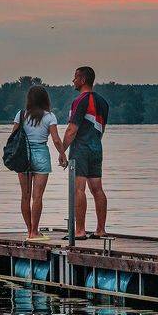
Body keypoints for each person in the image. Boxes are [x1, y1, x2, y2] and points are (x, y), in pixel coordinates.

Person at [58, 65, 110, 238]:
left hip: (80, 148)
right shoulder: (103, 102)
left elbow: (72, 130)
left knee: (79, 189)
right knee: (97, 189)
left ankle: (79, 231)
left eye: (75, 77)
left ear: (83, 80)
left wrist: (62, 151)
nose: (73, 80)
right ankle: (101, 229)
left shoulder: (80, 100)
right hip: (96, 147)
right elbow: (102, 128)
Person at [12, 85, 65, 239]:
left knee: (25, 196)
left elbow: (13, 135)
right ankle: (35, 231)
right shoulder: (50, 116)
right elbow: (56, 139)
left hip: (23, 156)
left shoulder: (21, 115)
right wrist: (62, 154)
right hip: (41, 154)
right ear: (45, 99)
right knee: (37, 196)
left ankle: (29, 231)